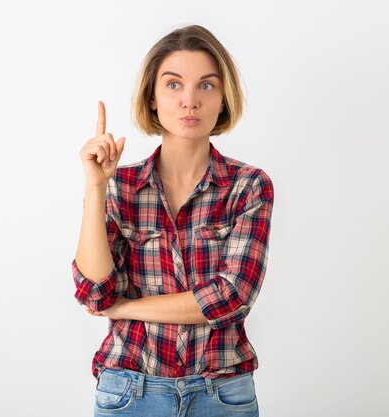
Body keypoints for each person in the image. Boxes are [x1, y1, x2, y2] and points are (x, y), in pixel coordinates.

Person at [73, 25, 274, 416]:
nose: (189, 101)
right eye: (173, 85)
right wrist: (97, 186)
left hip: (222, 396)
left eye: (206, 86)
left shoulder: (248, 186)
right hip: (130, 392)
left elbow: (230, 297)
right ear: (152, 98)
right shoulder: (121, 186)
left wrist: (125, 308)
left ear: (223, 99)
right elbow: (95, 293)